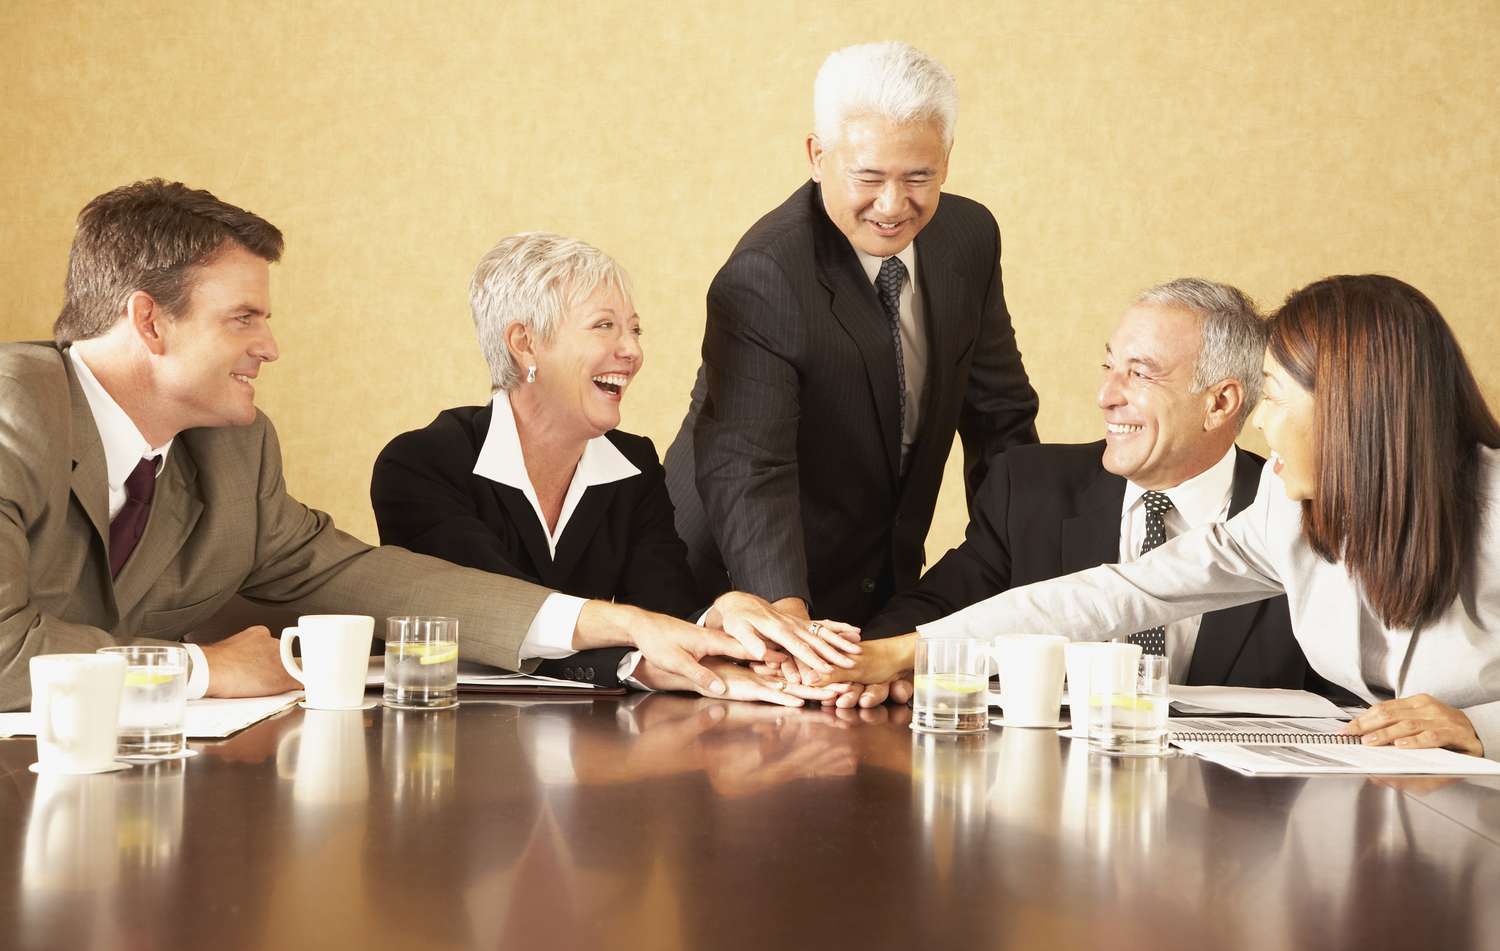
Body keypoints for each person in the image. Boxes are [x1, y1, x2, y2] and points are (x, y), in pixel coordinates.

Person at [0, 180, 841, 710]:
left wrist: (625, 624)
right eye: (243, 317)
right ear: (150, 321)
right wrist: (198, 670)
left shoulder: (234, 453)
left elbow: (369, 577)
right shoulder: (16, 413)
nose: (270, 346)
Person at [839, 275, 1500, 758]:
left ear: (1351, 410)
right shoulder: (1288, 507)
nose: (1260, 423)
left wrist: (1477, 726)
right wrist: (901, 653)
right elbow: (1118, 594)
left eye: (1273, 398)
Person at [371, 232, 858, 703]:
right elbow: (494, 625)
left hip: (603, 743)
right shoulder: (421, 466)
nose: (632, 351)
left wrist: (717, 615)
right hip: (454, 737)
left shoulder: (633, 465)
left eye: (635, 329)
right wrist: (633, 661)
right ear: (525, 343)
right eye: (604, 326)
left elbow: (663, 613)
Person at [663, 41, 1039, 631]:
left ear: (946, 159)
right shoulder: (766, 274)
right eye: (868, 176)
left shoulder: (969, 236)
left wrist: (1026, 577)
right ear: (818, 156)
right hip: (734, 584)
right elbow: (749, 466)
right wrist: (786, 616)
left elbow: (1001, 418)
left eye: (919, 177)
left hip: (882, 581)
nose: (892, 205)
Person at [843, 279, 1323, 707]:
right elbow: (1085, 601)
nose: (1105, 396)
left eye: (1140, 373)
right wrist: (880, 660)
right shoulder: (1029, 487)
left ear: (1219, 402)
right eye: (1108, 366)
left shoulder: (1300, 510)